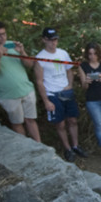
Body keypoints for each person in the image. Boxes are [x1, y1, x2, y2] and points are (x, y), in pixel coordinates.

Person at [34, 28, 86, 162]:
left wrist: (70, 84)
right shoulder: (40, 58)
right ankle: (67, 148)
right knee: (60, 124)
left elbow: (69, 70)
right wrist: (46, 101)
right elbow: (39, 82)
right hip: (52, 94)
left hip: (66, 92)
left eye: (55, 39)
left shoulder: (63, 53)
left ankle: (75, 146)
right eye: (50, 40)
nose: (53, 42)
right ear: (44, 40)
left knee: (73, 120)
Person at [0, 20, 40, 141]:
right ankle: (25, 149)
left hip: (27, 89)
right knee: (17, 123)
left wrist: (22, 52)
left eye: (4, 33)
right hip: (8, 94)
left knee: (31, 120)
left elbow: (29, 65)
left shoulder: (11, 44)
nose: (3, 37)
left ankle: (40, 146)